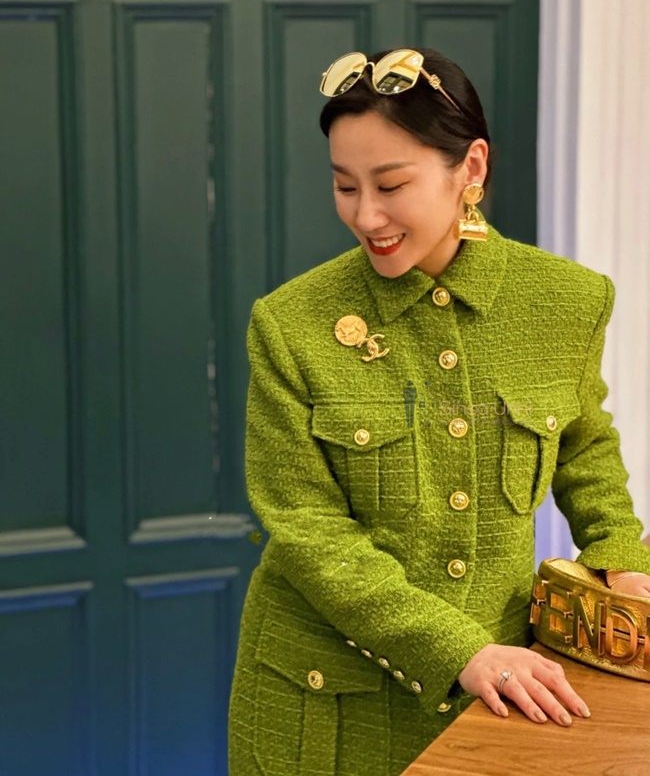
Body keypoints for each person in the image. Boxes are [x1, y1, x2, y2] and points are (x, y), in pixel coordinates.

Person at [228, 47, 650, 776]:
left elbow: (583, 445)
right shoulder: (290, 324)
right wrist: (459, 650)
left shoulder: (567, 302)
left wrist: (619, 558)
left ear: (471, 168)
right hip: (323, 702)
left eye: (391, 184)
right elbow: (304, 525)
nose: (366, 215)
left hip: (498, 692)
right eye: (344, 185)